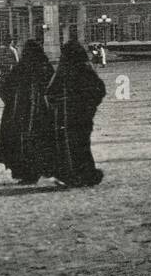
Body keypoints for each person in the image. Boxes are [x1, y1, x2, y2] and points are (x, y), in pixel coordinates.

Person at [44, 40, 106, 187]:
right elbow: (99, 90)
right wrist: (90, 106)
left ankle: (73, 175)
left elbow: (50, 92)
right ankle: (85, 174)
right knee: (82, 145)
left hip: (70, 115)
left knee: (71, 146)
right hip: (82, 116)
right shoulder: (86, 69)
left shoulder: (65, 70)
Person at [0, 39, 54, 184]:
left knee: (22, 142)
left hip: (20, 115)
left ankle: (26, 173)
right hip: (42, 114)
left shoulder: (22, 67)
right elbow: (54, 87)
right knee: (41, 141)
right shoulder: (46, 66)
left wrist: (9, 101)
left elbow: (6, 88)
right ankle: (41, 169)